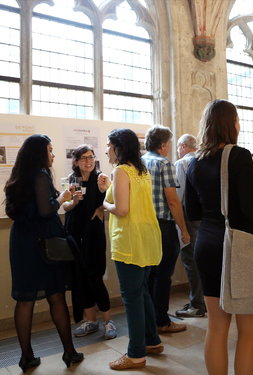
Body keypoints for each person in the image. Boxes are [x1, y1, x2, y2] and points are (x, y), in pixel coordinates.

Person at [185, 99, 253, 375]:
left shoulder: (194, 162)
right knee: (249, 331)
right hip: (238, 245)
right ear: (230, 123)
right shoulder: (239, 156)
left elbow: (191, 211)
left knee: (217, 327)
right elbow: (252, 208)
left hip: (206, 244)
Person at [4, 134, 84, 372]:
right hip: (42, 245)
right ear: (40, 153)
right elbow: (46, 209)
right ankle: (69, 353)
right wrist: (63, 196)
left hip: (22, 243)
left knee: (25, 300)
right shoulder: (39, 175)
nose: (53, 154)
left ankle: (26, 357)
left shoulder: (19, 177)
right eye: (50, 150)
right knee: (56, 297)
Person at [101, 128, 163, 370]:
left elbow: (122, 209)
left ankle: (135, 354)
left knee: (131, 297)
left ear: (118, 147)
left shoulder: (121, 171)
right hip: (147, 237)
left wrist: (105, 203)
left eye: (109, 145)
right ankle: (152, 341)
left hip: (129, 240)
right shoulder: (141, 170)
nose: (106, 150)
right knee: (142, 292)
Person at [63, 145, 117, 340]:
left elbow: (111, 201)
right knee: (81, 278)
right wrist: (74, 201)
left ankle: (108, 320)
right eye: (84, 158)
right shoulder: (74, 179)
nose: (88, 161)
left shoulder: (100, 178)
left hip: (94, 234)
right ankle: (91, 321)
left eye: (91, 157)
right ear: (76, 161)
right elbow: (68, 207)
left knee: (95, 276)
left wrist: (103, 206)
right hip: (75, 234)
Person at [142, 125, 190, 333]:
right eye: (169, 142)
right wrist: (184, 229)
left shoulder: (140, 162)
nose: (170, 146)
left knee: (150, 275)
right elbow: (172, 201)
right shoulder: (164, 164)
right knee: (163, 275)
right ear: (163, 144)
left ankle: (150, 318)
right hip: (163, 226)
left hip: (144, 226)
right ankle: (162, 321)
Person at [174, 134, 207, 318]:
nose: (178, 151)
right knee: (204, 260)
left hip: (189, 217)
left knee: (191, 260)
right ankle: (206, 301)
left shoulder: (182, 164)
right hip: (207, 218)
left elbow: (178, 197)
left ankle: (197, 304)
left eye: (179, 147)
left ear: (184, 146)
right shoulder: (204, 160)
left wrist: (180, 226)